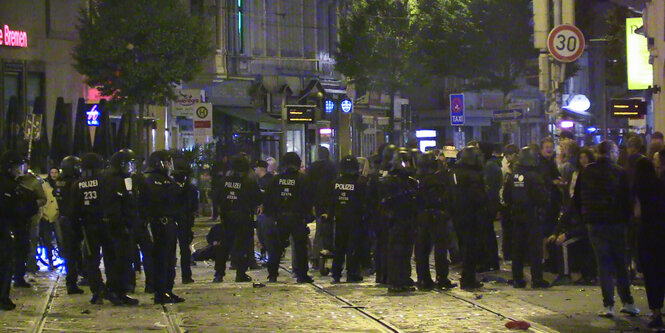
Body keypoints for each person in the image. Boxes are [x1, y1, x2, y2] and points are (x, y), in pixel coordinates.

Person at [575, 140, 639, 318]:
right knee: (620, 262)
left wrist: (584, 216)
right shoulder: (620, 172)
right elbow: (628, 199)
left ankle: (608, 305)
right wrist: (628, 220)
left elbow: (578, 197)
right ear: (612, 153)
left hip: (594, 223)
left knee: (603, 264)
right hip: (616, 223)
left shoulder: (587, 171)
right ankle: (627, 301)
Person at [503, 146, 550, 289]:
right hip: (532, 215)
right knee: (535, 249)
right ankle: (537, 278)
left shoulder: (513, 175)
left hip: (517, 215)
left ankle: (517, 278)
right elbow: (541, 197)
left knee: (517, 248)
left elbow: (506, 196)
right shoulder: (534, 176)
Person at [142, 150, 184, 304]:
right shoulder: (150, 180)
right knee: (161, 258)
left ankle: (168, 289)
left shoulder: (168, 180)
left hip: (170, 223)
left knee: (170, 259)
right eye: (167, 162)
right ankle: (160, 291)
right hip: (158, 223)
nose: (169, 166)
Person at [264, 152, 313, 283]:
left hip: (280, 218)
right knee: (300, 248)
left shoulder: (276, 179)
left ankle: (272, 274)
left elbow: (268, 199)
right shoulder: (302, 179)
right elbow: (308, 198)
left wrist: (271, 214)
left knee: (277, 248)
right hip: (297, 218)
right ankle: (302, 274)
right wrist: (308, 216)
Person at [213, 154, 261, 283]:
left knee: (224, 246)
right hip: (243, 217)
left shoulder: (223, 182)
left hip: (227, 216)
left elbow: (216, 197)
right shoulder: (248, 182)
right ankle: (240, 273)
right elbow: (257, 198)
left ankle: (219, 274)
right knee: (242, 246)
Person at [377, 148, 419, 292]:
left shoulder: (410, 181)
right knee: (396, 250)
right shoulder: (390, 181)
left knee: (406, 251)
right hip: (395, 220)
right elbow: (385, 202)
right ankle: (395, 280)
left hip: (407, 220)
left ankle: (404, 278)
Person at [414, 151, 455, 290]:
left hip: (422, 216)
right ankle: (442, 278)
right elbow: (447, 197)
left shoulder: (417, 179)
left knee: (422, 250)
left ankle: (423, 278)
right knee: (440, 249)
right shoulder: (440, 178)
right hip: (438, 215)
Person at [633, 157, 665, 328]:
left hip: (646, 234)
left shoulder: (637, 188)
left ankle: (656, 312)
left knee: (651, 275)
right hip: (661, 233)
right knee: (661, 272)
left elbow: (636, 213)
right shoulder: (660, 185)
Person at [450, 146, 487, 290]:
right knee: (471, 248)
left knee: (464, 247)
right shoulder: (472, 175)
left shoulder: (455, 172)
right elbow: (478, 196)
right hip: (471, 215)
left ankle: (467, 276)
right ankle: (468, 278)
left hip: (458, 214)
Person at [326, 155, 366, 283]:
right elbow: (363, 202)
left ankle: (336, 273)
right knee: (352, 247)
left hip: (339, 219)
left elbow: (331, 201)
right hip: (354, 219)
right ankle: (352, 273)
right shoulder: (359, 183)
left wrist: (330, 215)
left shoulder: (335, 183)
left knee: (339, 247)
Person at [0, 151, 30, 310]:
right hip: (4, 229)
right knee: (5, 264)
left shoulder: (11, 183)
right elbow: (12, 210)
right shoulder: (8, 185)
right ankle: (3, 298)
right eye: (17, 166)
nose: (20, 169)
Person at [53, 155, 85, 294]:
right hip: (72, 220)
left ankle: (77, 277)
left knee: (72, 252)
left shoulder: (60, 183)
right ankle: (72, 282)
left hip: (64, 219)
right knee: (73, 252)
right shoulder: (73, 183)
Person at [14, 164, 45, 286]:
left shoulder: (34, 182)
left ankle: (31, 270)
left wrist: (30, 204)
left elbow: (43, 199)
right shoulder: (14, 181)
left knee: (31, 244)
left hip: (32, 218)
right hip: (17, 218)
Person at [307, 146, 338, 269]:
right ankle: (331, 252)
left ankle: (316, 257)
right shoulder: (332, 166)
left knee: (320, 231)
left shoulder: (313, 167)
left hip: (318, 201)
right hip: (331, 200)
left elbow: (309, 185)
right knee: (331, 228)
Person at [173, 156, 199, 285]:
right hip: (183, 220)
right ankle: (186, 275)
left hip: (179, 219)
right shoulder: (190, 188)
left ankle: (183, 275)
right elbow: (194, 205)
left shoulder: (172, 186)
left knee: (178, 248)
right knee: (184, 248)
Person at [40, 167, 60, 271]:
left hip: (57, 216)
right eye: (52, 172)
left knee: (61, 240)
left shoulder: (61, 184)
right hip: (47, 216)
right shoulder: (45, 185)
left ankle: (64, 261)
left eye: (55, 172)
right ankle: (51, 262)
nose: (54, 174)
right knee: (47, 241)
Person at [254, 160, 274, 261]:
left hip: (267, 213)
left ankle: (268, 256)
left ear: (260, 168)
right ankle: (265, 254)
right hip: (263, 213)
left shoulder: (267, 181)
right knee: (262, 236)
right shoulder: (261, 180)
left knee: (265, 236)